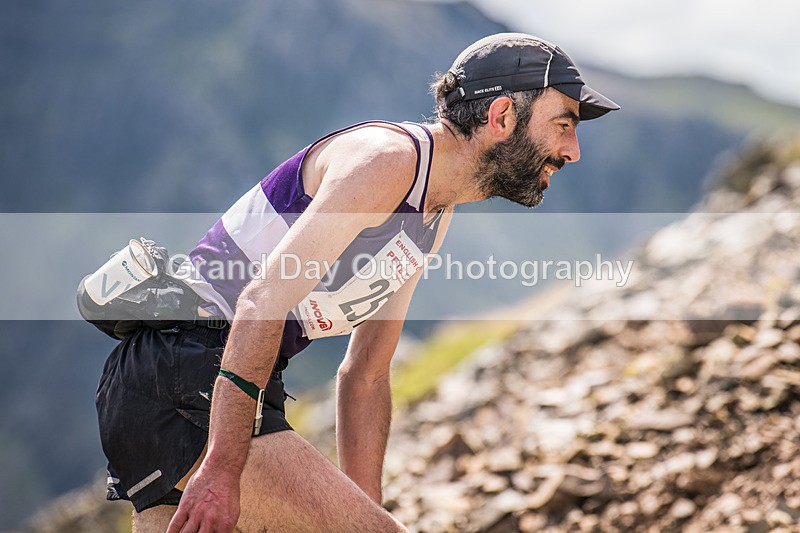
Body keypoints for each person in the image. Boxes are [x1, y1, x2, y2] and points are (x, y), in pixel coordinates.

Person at [94, 32, 618, 532]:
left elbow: (366, 373)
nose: (572, 151)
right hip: (188, 367)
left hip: (196, 381)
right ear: (502, 115)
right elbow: (261, 299)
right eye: (564, 123)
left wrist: (364, 514)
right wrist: (225, 466)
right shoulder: (386, 162)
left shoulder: (434, 211)